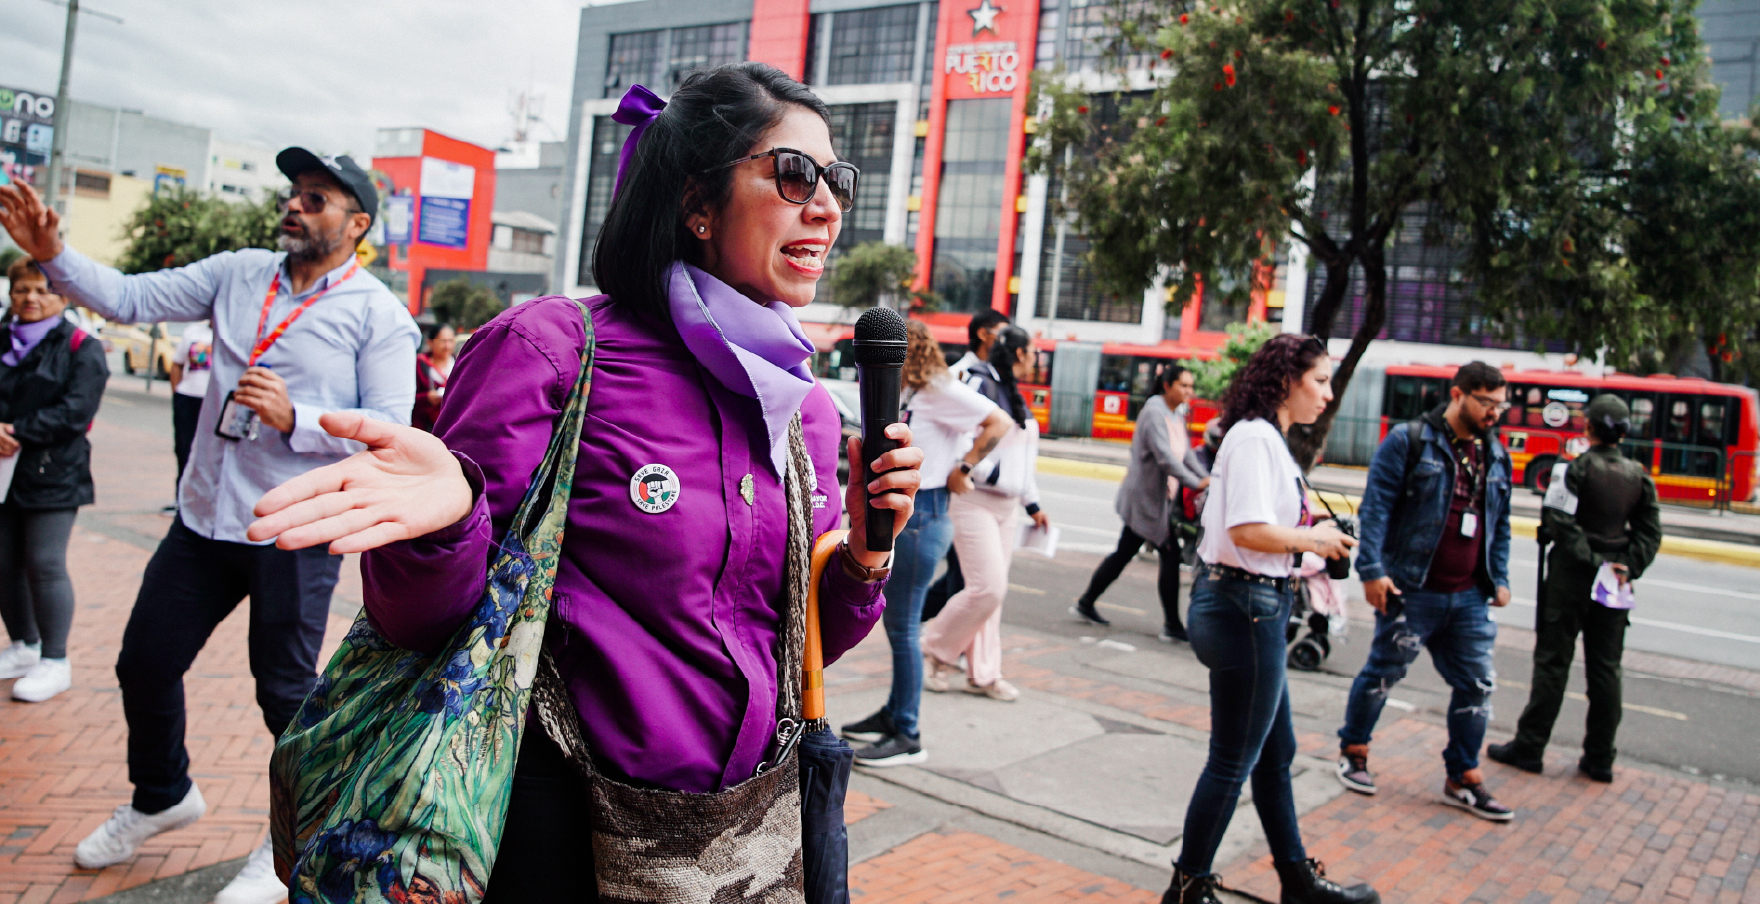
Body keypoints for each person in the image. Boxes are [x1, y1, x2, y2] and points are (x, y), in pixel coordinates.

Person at [245, 64, 924, 899]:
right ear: (696, 203)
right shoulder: (554, 349)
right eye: (793, 174)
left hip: (732, 839)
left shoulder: (805, 409)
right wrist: (447, 521)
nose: (824, 205)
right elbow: (419, 621)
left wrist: (862, 558)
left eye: (836, 182)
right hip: (552, 830)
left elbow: (794, 645)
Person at [0, 150, 419, 904]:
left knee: (283, 693)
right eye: (294, 194)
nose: (295, 206)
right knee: (145, 664)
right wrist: (53, 256)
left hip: (292, 525)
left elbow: (390, 429)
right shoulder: (238, 273)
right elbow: (127, 297)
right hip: (203, 518)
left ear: (357, 224)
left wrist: (304, 419)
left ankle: (286, 843)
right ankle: (161, 794)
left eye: (316, 199)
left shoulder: (378, 315)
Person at [1165, 334, 1378, 904]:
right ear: (1287, 379)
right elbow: (1248, 530)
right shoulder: (1257, 438)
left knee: (1273, 753)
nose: (1328, 395)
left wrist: (1316, 542)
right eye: (1320, 381)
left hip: (1249, 603)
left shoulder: (1267, 441)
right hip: (1244, 608)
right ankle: (1187, 887)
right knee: (1233, 759)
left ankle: (1295, 879)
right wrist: (1314, 537)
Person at [1336, 362, 1514, 821]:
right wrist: (1372, 570)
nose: (1495, 412)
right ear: (1458, 394)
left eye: (1501, 404)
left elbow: (1501, 523)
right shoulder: (1410, 441)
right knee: (1383, 673)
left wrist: (1501, 577)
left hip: (1471, 596)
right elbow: (1375, 508)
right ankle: (1354, 751)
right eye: (1486, 402)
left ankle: (1464, 776)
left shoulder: (1496, 453)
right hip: (1412, 589)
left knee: (1477, 685)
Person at [843, 317, 1008, 767]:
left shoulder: (938, 387)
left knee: (902, 628)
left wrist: (965, 467)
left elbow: (998, 422)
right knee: (898, 625)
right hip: (917, 514)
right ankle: (895, 712)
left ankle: (909, 732)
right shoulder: (918, 389)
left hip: (927, 512)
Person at [1489, 394, 1660, 783]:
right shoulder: (1640, 476)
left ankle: (1530, 748)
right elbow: (1650, 532)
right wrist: (1625, 565)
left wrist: (1587, 558)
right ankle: (1600, 758)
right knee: (1606, 670)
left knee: (1553, 664)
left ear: (1589, 427)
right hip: (1613, 584)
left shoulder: (1571, 471)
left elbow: (1558, 519)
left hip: (1571, 580)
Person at [0, 257, 107, 703]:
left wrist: (16, 433)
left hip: (53, 472)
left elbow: (76, 410)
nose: (30, 298)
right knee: (3, 563)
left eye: (42, 290)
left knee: (44, 563)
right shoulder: (1, 338)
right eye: (21, 289)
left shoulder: (82, 346)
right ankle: (24, 646)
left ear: (63, 296)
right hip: (3, 469)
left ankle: (54, 659)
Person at [921, 326, 1047, 702]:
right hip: (975, 500)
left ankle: (984, 673)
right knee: (987, 588)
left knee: (994, 595)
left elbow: (1021, 460)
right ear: (1021, 354)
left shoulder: (1010, 391)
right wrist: (970, 470)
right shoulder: (978, 383)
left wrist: (1033, 504)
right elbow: (960, 436)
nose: (1038, 358)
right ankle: (936, 649)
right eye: (1034, 351)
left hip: (1007, 506)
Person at [1074, 364, 1207, 641]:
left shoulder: (1176, 413)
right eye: (1184, 385)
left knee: (1125, 553)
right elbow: (1165, 457)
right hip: (1145, 500)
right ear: (1167, 385)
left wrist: (1207, 477)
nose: (1189, 391)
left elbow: (1185, 454)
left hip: (1159, 501)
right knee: (1168, 555)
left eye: (1191, 387)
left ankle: (1086, 602)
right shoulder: (1153, 412)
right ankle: (1172, 625)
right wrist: (1196, 483)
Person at [923, 307, 1012, 621]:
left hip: (987, 489)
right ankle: (942, 640)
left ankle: (927, 625)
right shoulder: (964, 376)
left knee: (964, 574)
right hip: (967, 488)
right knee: (967, 576)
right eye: (1003, 331)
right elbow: (963, 434)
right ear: (984, 334)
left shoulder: (998, 376)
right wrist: (966, 468)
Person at [169, 319, 214, 489]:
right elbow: (177, 365)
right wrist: (177, 393)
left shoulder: (235, 332)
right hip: (188, 398)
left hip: (215, 403)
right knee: (183, 449)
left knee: (210, 454)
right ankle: (180, 500)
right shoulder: (193, 332)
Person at [412, 322, 455, 431]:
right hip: (425, 426)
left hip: (452, 425)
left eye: (451, 341)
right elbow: (408, 396)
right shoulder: (420, 364)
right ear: (430, 342)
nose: (447, 346)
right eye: (443, 341)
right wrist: (426, 398)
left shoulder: (459, 364)